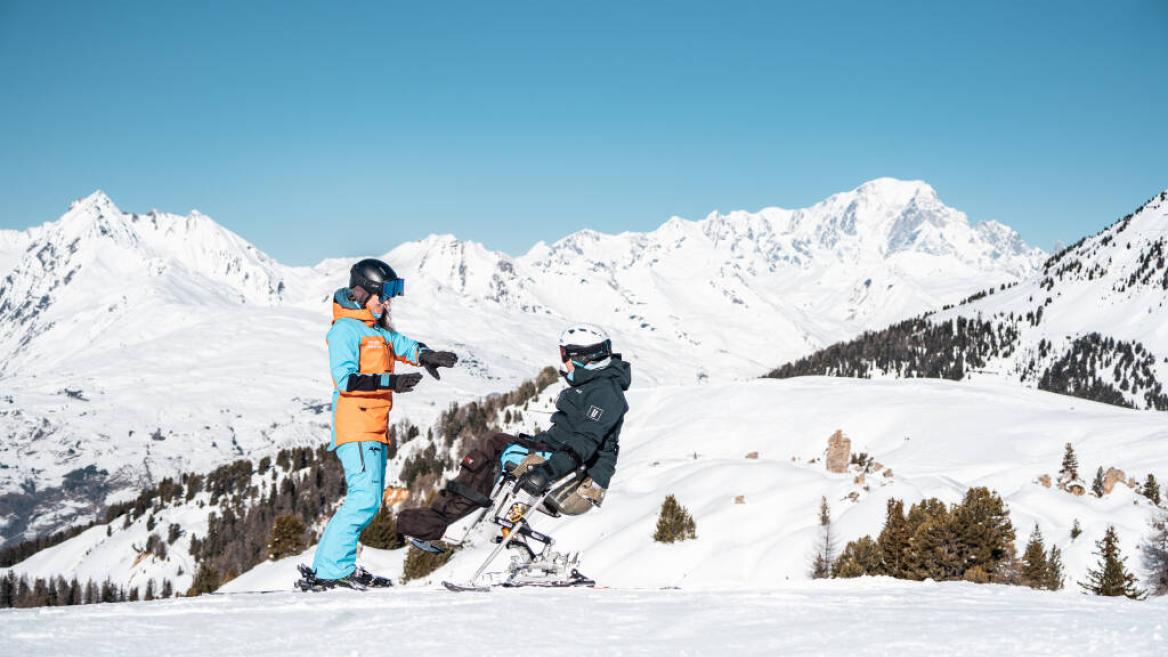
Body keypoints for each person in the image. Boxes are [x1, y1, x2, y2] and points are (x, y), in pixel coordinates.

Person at [397, 323, 631, 549]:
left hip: (577, 481)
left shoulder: (605, 393)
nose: (564, 361)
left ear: (582, 357)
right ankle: (444, 518)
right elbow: (565, 434)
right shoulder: (592, 385)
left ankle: (445, 526)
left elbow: (584, 442)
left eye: (565, 354)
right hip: (564, 460)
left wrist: (547, 471)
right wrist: (533, 442)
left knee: (498, 448)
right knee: (495, 443)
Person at [300, 258, 458, 590]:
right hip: (356, 426)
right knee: (363, 500)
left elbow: (399, 345)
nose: (386, 303)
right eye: (381, 296)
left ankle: (329, 567)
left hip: (373, 427)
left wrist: (426, 354)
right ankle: (332, 571)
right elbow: (346, 380)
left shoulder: (374, 329)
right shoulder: (345, 329)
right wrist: (391, 382)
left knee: (366, 500)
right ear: (361, 293)